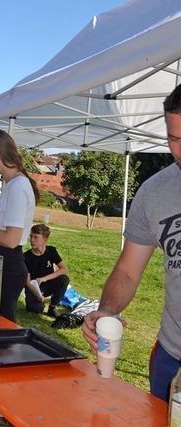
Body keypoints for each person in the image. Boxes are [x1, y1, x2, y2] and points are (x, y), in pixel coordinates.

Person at [82, 83, 181, 402]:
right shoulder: (154, 192)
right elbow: (127, 270)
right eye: (175, 139)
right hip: (172, 355)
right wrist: (106, 311)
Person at [0, 129, 39, 322]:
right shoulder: (11, 184)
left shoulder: (18, 186)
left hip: (7, 266)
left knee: (0, 329)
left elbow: (11, 240)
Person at [23, 224, 69, 318]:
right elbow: (27, 282)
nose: (31, 240)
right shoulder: (26, 256)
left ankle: (52, 308)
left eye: (36, 237)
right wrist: (38, 295)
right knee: (37, 309)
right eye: (31, 236)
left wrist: (44, 278)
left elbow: (64, 269)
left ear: (45, 239)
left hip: (48, 284)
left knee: (64, 279)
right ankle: (36, 303)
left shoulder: (51, 251)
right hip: (33, 288)